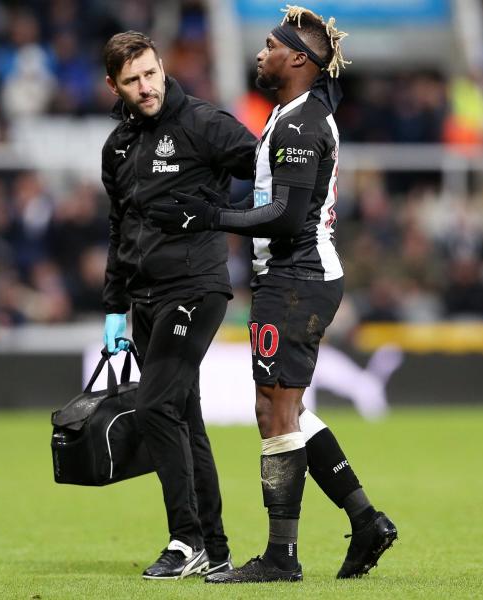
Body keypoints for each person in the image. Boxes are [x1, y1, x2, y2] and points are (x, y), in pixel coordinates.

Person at [150, 6, 398, 583]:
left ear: (298, 59)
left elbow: (286, 217)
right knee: (286, 410)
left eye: (270, 44)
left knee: (274, 411)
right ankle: (365, 519)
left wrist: (210, 217)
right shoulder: (293, 114)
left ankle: (282, 558)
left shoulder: (298, 124)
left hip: (297, 277)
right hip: (295, 277)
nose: (260, 52)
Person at [99, 31, 257, 580]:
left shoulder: (204, 124)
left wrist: (222, 218)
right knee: (184, 418)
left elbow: (265, 170)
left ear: (162, 66)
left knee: (154, 408)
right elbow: (119, 229)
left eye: (150, 74)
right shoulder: (117, 148)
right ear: (113, 86)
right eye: (132, 81)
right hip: (143, 299)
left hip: (196, 288)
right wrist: (114, 307)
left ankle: (184, 540)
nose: (145, 88)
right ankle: (214, 549)